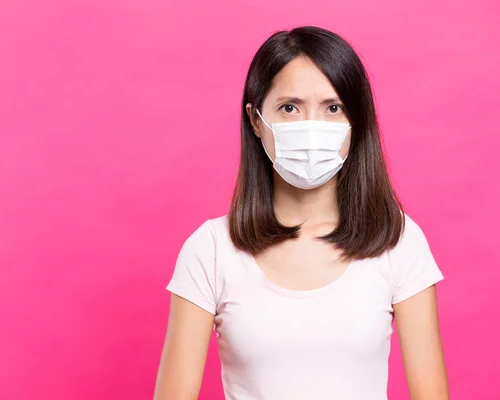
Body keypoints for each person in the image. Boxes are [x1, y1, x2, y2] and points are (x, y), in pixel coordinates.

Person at [154, 26, 449, 400]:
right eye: (289, 107)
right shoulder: (210, 249)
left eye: (333, 107)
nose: (312, 127)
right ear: (257, 120)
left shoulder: (397, 241)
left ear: (356, 123)